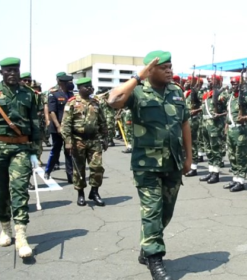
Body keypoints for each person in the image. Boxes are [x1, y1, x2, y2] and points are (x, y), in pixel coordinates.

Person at [108, 50, 192, 280]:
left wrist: (189, 157)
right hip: (147, 165)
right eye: (164, 67)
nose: (170, 71)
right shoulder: (136, 92)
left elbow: (185, 124)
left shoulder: (176, 92)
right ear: (150, 70)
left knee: (166, 212)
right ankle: (155, 259)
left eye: (170, 66)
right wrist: (138, 76)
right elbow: (113, 100)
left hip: (173, 162)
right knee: (152, 211)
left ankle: (147, 247)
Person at [0, 57, 40, 258]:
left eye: (15, 70)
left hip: (21, 148)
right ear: (1, 72)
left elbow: (35, 124)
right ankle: (5, 227)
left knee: (19, 190)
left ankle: (21, 235)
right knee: (1, 192)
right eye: (8, 70)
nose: (12, 74)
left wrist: (35, 151)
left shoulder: (29, 95)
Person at [61, 78, 108, 207]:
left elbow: (102, 122)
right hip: (78, 140)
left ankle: (94, 192)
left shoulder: (96, 103)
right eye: (86, 86)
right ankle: (80, 194)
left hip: (94, 140)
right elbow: (66, 124)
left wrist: (105, 138)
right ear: (80, 88)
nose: (89, 88)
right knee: (79, 169)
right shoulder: (71, 103)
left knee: (97, 167)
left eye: (90, 86)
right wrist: (68, 141)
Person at [223, 76, 247, 192]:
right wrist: (226, 127)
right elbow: (228, 113)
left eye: (235, 83)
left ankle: (241, 181)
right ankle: (235, 178)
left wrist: (245, 118)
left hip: (241, 129)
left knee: (241, 155)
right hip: (231, 129)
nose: (233, 85)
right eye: (232, 83)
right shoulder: (231, 97)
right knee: (232, 155)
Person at [44, 73, 74, 182]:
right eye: (68, 82)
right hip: (57, 127)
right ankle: (47, 171)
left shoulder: (71, 95)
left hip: (69, 128)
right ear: (61, 83)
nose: (70, 84)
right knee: (56, 150)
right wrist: (58, 126)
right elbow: (52, 111)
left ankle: (70, 175)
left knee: (69, 151)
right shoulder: (54, 94)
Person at [199, 75, 228, 184]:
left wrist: (220, 114)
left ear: (218, 81)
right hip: (205, 125)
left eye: (211, 79)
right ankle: (211, 171)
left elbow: (228, 110)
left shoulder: (223, 94)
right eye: (208, 80)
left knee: (216, 150)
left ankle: (216, 173)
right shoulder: (207, 94)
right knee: (208, 149)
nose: (209, 81)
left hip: (215, 126)